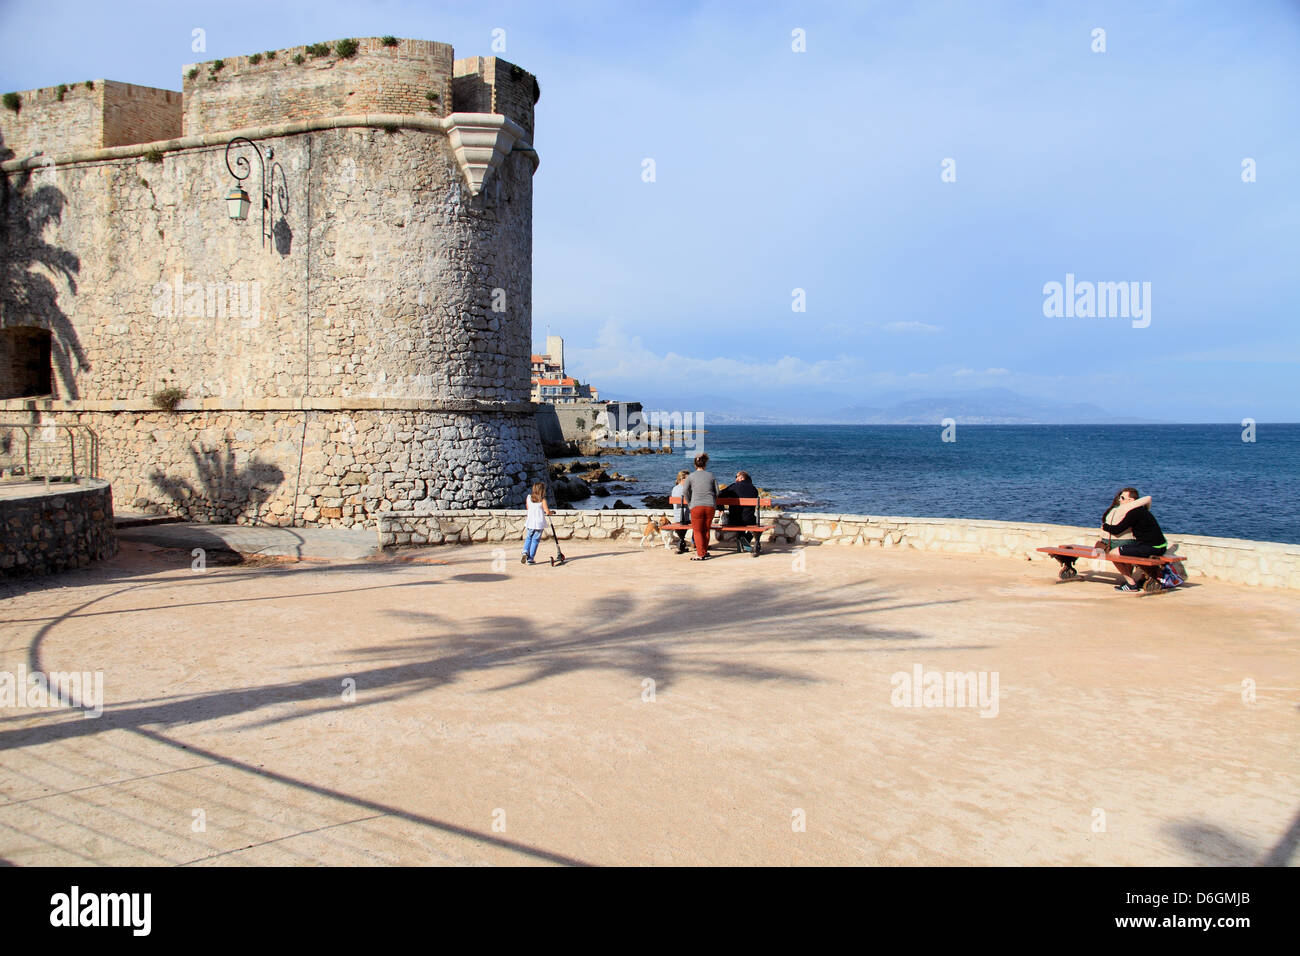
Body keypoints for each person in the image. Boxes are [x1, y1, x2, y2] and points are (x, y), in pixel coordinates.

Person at [1100, 487, 1166, 591]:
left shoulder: (1133, 513)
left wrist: (1105, 526)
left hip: (1151, 547)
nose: (1119, 500)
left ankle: (1131, 584)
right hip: (1159, 545)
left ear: (1131, 501)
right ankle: (1142, 579)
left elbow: (1117, 530)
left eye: (1122, 498)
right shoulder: (1142, 510)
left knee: (1113, 553)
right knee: (1130, 552)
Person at [682, 453, 718, 560]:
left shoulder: (691, 477)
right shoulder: (711, 475)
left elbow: (685, 491)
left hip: (696, 506)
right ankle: (704, 551)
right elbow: (717, 492)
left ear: (695, 464)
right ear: (705, 464)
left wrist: (689, 503)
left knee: (697, 531)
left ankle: (700, 554)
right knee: (706, 530)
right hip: (710, 506)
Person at [717, 469, 758, 552]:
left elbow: (719, 494)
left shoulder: (734, 487)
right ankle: (745, 542)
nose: (735, 479)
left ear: (742, 478)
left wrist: (721, 509)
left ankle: (742, 541)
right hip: (749, 520)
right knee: (754, 524)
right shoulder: (754, 489)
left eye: (737, 477)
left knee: (738, 521)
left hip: (734, 519)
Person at [521, 482, 551, 565]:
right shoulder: (542, 500)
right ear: (542, 491)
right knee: (535, 540)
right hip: (539, 523)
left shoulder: (529, 497)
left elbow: (528, 508)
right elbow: (547, 511)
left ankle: (525, 552)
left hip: (530, 522)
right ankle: (530, 559)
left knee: (528, 538)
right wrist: (551, 512)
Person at [669, 468, 691, 554]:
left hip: (677, 517)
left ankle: (682, 542)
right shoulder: (686, 490)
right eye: (688, 478)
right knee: (699, 520)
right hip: (685, 518)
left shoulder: (675, 488)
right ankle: (696, 542)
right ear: (683, 479)